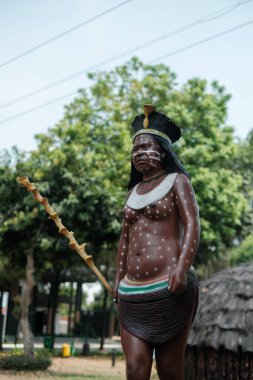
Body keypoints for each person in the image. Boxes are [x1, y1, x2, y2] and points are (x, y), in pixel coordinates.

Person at [113, 104, 200, 380]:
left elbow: (193, 225)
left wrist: (182, 269)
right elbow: (124, 240)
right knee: (135, 367)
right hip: (132, 292)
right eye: (135, 150)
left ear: (163, 151)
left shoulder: (178, 181)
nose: (139, 153)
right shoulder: (133, 192)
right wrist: (117, 279)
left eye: (146, 147)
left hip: (169, 287)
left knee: (169, 370)